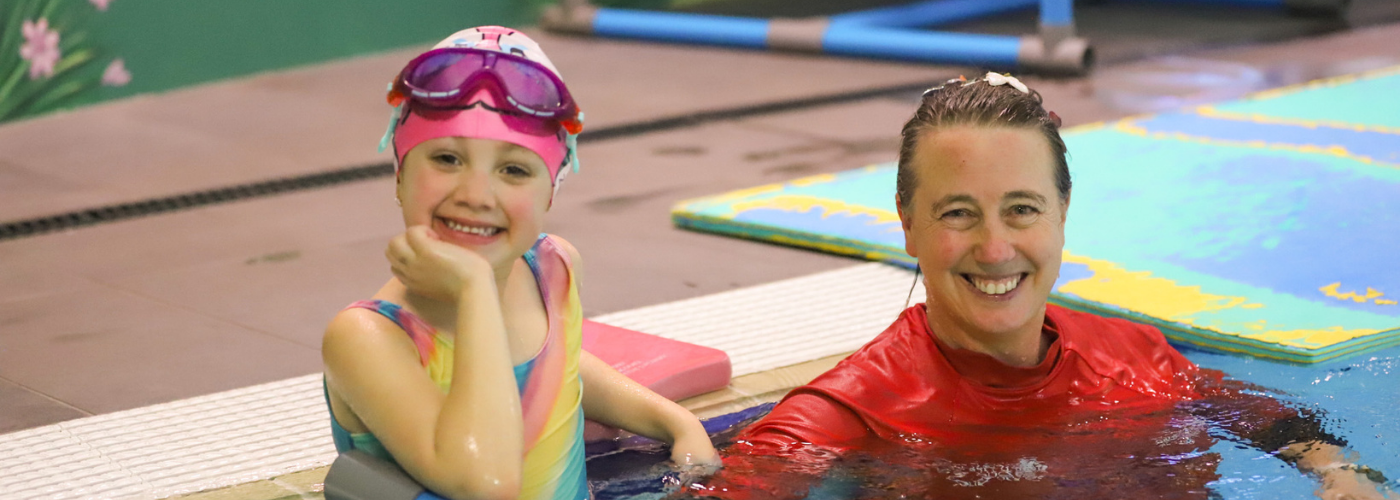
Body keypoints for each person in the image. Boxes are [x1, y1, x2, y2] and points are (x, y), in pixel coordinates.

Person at [688, 73, 1392, 500]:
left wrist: (1341, 470)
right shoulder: (854, 410)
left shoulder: (1139, 359)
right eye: (958, 214)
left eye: (1021, 210)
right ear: (906, 224)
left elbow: (1278, 425)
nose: (995, 249)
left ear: (1061, 214)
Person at [321, 26, 718, 500]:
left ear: (550, 192)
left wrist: (674, 420)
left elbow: (556, 365)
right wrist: (474, 290)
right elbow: (486, 484)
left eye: (513, 169)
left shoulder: (552, 269)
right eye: (447, 158)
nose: (475, 195)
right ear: (400, 176)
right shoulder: (369, 340)